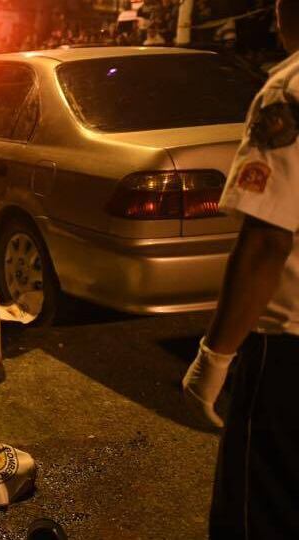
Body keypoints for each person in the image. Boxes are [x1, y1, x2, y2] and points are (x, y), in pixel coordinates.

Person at [182, 1, 299, 537]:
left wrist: (214, 359)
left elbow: (267, 242)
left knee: (258, 514)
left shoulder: (288, 92)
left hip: (288, 349)